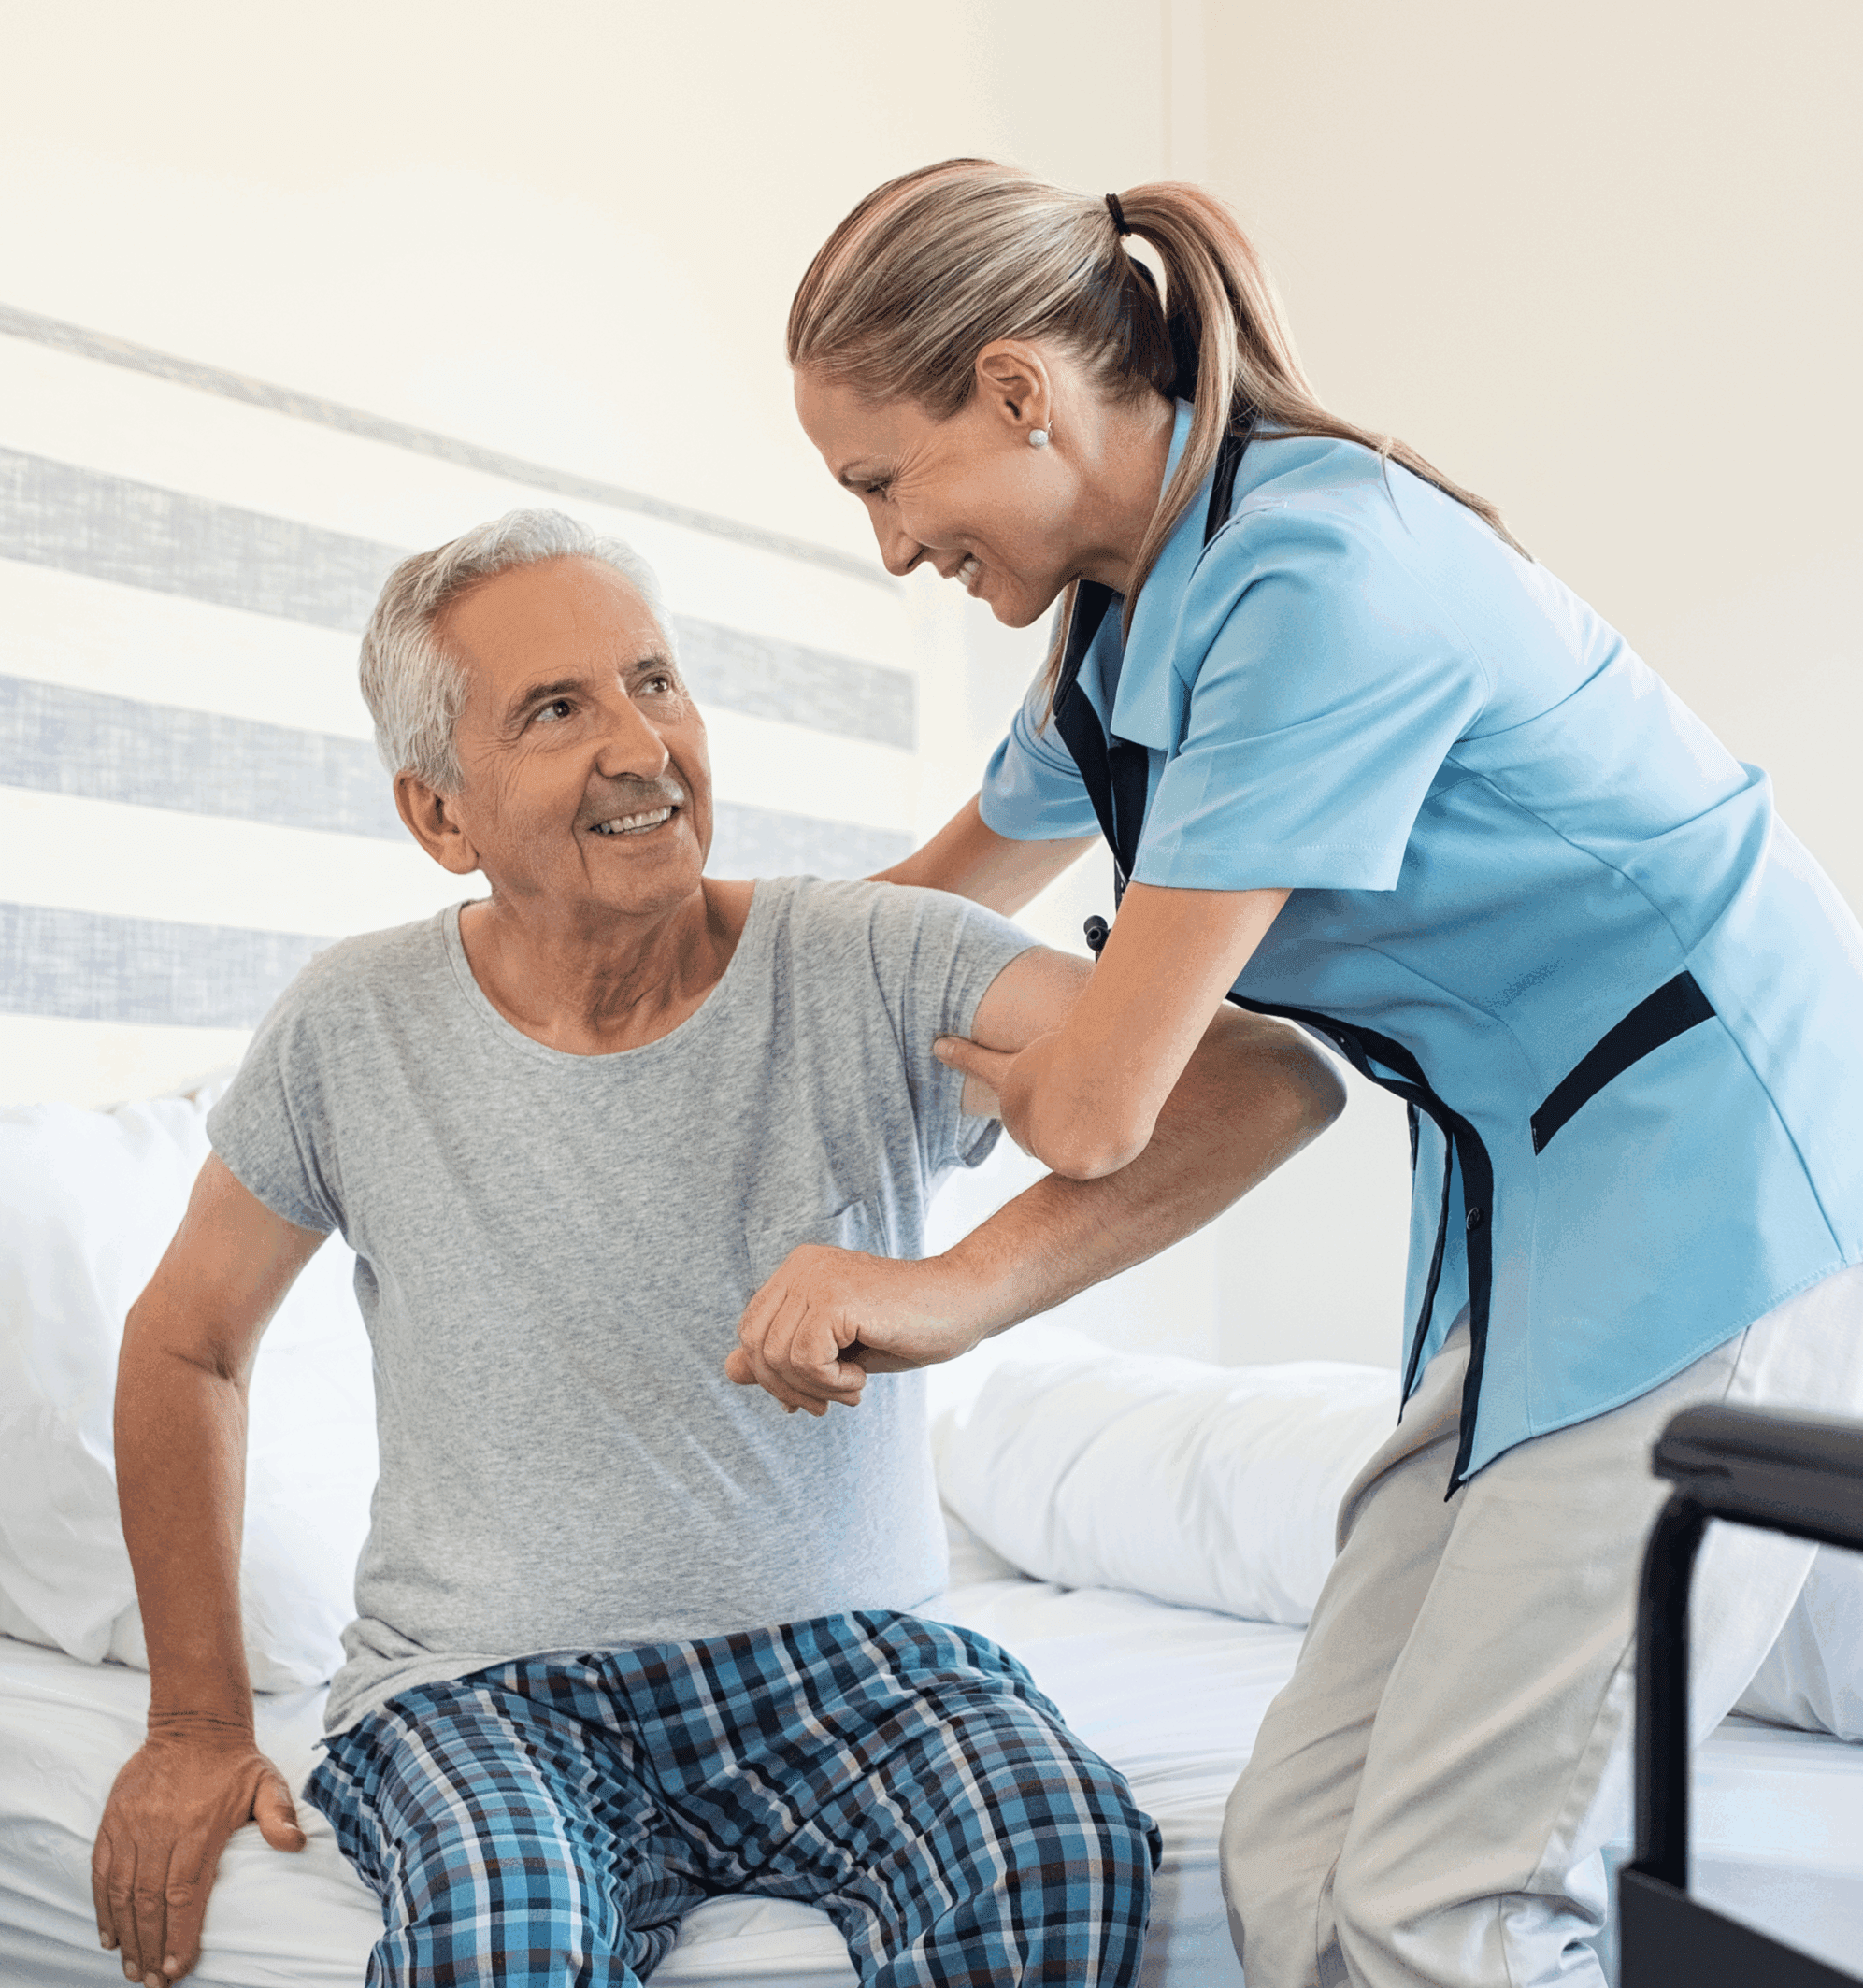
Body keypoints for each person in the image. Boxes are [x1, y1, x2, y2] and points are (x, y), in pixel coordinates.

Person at [761, 161, 1863, 1988]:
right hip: (1552, 1222)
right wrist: (638, 980)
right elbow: (919, 912)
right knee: (1292, 1855)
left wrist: (961, 1228)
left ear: (1019, 393)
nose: (888, 546)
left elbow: (1110, 1102)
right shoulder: (1119, 626)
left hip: (1739, 1178)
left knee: (1453, 1902)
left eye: (883, 481)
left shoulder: (1311, 575)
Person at [91, 508, 1344, 1988]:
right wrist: (196, 1722)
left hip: (848, 1662)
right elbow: (188, 1342)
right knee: (510, 1936)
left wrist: (960, 1289)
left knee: (1052, 1850)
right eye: (557, 710)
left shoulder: (875, 959)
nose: (640, 746)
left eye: (654, 682)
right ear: (441, 815)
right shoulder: (350, 1025)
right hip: (484, 1689)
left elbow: (1262, 1083)